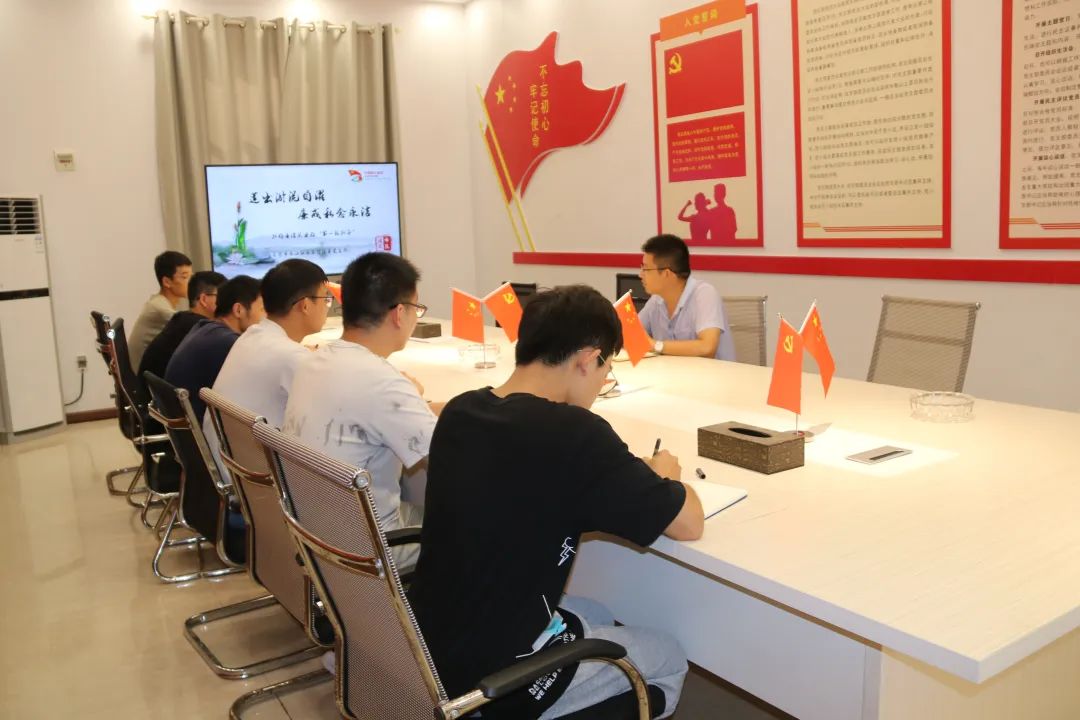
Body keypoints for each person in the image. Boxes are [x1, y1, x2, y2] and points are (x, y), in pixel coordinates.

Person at [408, 285, 704, 720]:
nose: (602, 382)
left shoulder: (460, 410)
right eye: (606, 368)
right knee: (669, 656)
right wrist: (664, 475)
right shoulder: (576, 433)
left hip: (425, 645)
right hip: (493, 677)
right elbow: (688, 522)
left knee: (597, 611)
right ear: (587, 358)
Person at [283, 253, 442, 566]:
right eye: (417, 308)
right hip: (371, 552)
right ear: (399, 313)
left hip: (319, 537)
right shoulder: (383, 382)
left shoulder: (315, 361)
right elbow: (453, 456)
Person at [210, 259, 329, 428]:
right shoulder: (293, 357)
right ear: (305, 305)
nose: (328, 306)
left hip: (226, 444)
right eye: (326, 299)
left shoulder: (250, 336)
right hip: (255, 445)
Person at [164, 275, 264, 425]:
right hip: (201, 430)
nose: (265, 317)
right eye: (262, 309)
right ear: (238, 310)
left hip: (182, 424)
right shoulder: (228, 343)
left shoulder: (205, 327)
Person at [637, 234, 735, 360]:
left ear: (666, 274)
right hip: (673, 371)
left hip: (711, 372)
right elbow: (633, 333)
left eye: (646, 269)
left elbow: (707, 348)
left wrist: (656, 345)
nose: (640, 275)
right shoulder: (656, 300)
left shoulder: (704, 294)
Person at [138, 270, 225, 382]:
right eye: (222, 296)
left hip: (152, 389)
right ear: (204, 299)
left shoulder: (184, 319)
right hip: (158, 391)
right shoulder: (202, 329)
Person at [128, 250, 193, 371]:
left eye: (191, 277)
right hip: (144, 377)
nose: (191, 282)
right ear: (167, 282)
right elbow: (191, 327)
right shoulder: (159, 308)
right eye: (185, 277)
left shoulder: (159, 302)